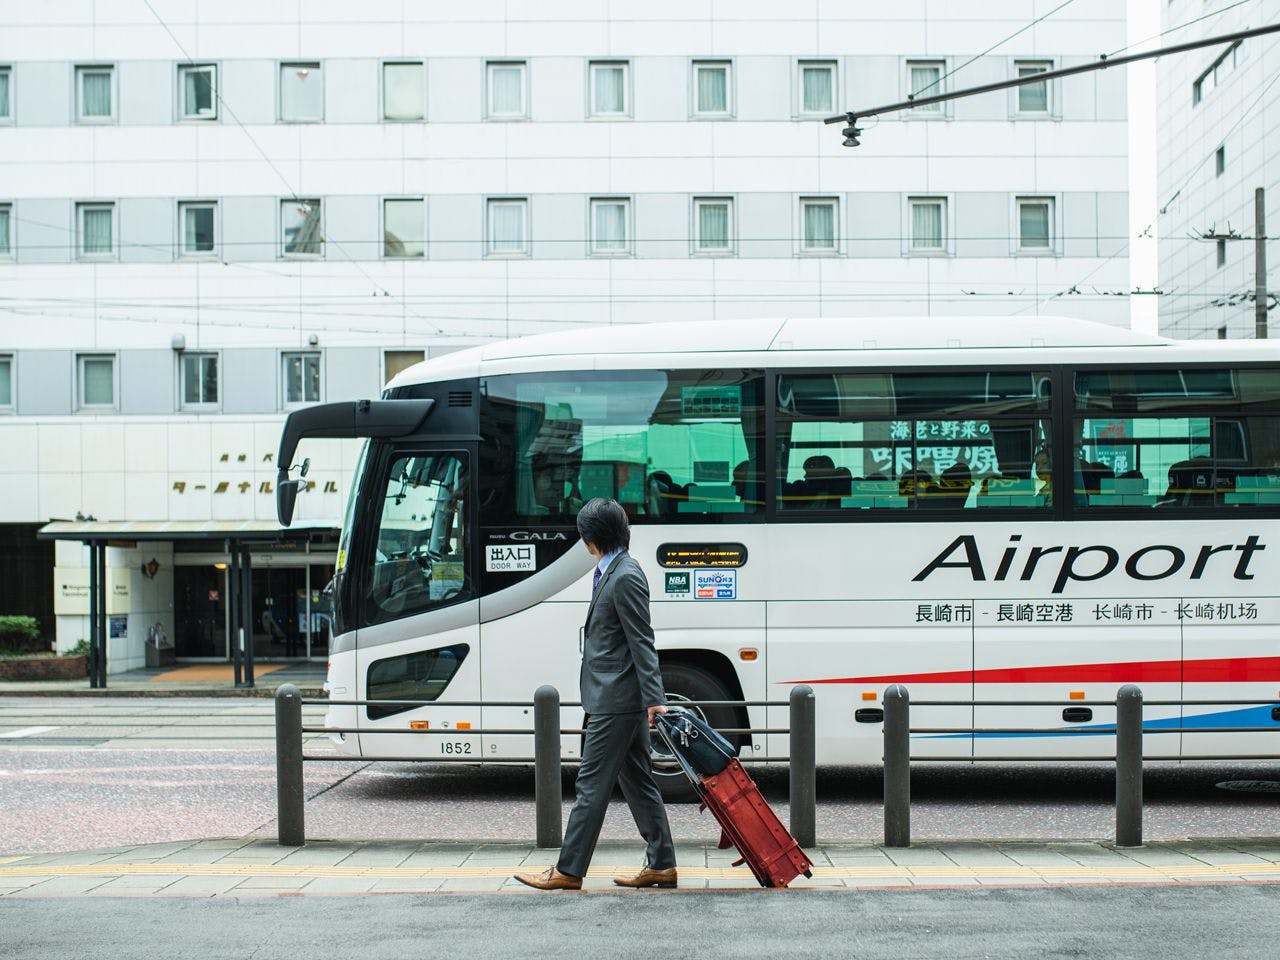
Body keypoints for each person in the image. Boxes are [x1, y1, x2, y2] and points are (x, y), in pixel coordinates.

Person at [514, 497, 676, 891]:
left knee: (591, 785)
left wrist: (655, 699)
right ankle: (662, 864)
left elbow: (643, 641)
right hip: (615, 695)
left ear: (591, 539)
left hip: (616, 700)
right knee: (638, 781)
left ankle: (568, 870)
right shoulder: (613, 570)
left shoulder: (625, 575)